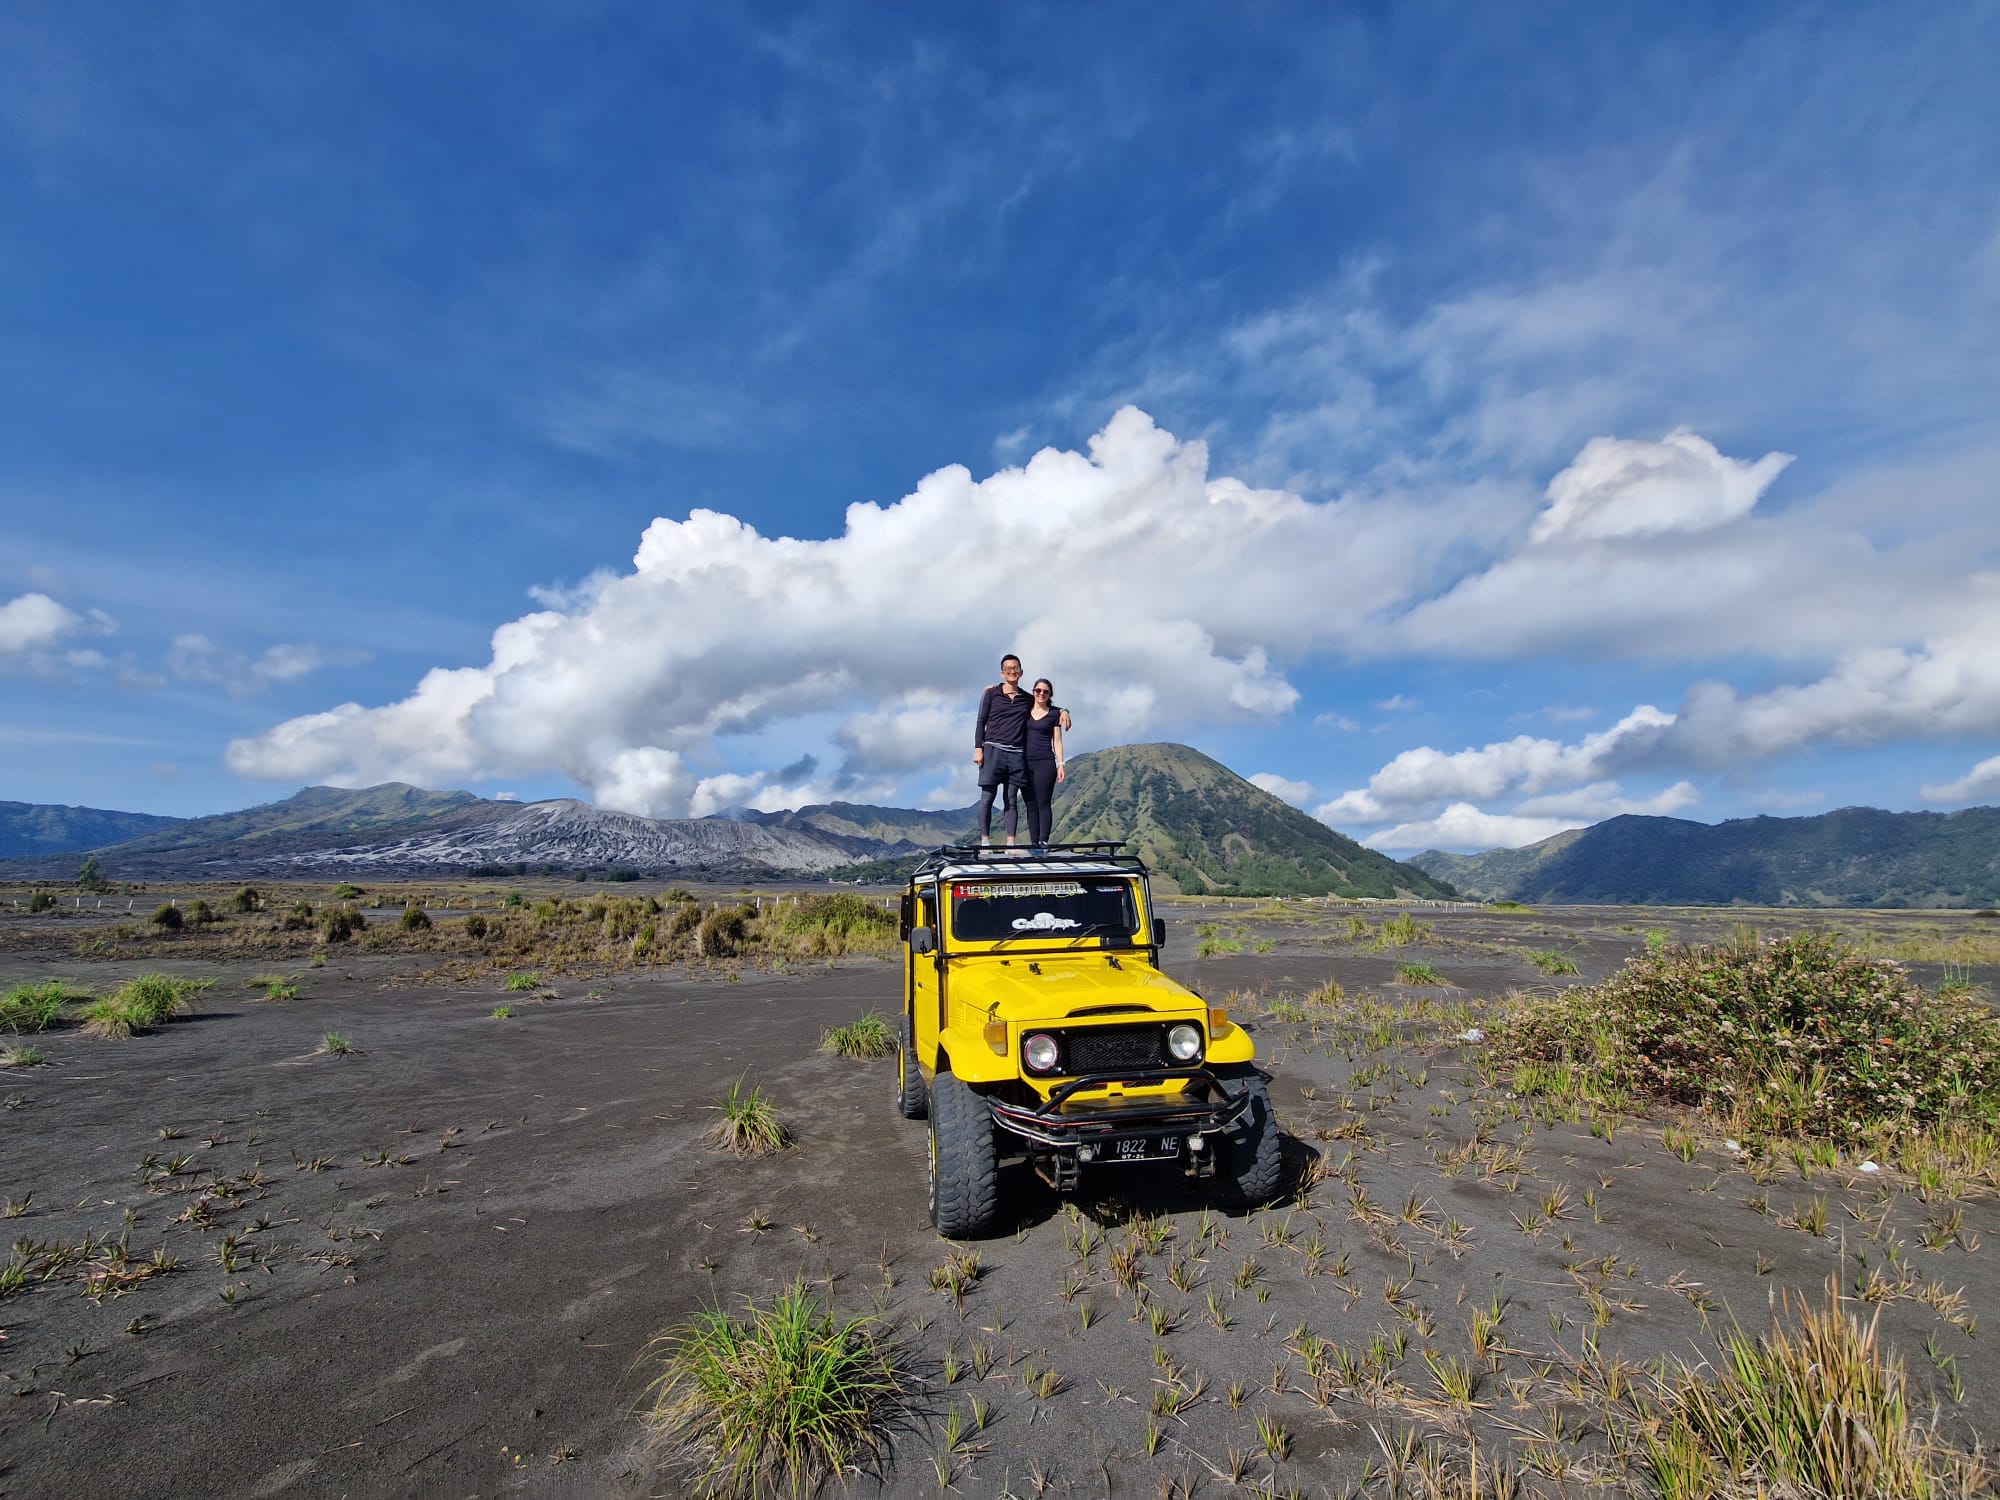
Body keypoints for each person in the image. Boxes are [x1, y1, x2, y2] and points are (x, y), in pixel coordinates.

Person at [973, 654, 1033, 848]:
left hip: (1016, 753)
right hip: (993, 750)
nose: (1012, 671)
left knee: (1011, 799)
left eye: (1016, 668)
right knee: (987, 797)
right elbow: (981, 721)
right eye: (1008, 669)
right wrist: (978, 748)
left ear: (1021, 672)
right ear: (1002, 673)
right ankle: (985, 842)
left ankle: (1011, 844)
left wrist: (1063, 711)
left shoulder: (1027, 699)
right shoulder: (991, 694)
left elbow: (1046, 706)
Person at [1022, 677, 1066, 852]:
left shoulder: (1054, 713)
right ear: (1033, 692)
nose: (1041, 694)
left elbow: (1057, 741)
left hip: (1045, 762)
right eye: (1038, 690)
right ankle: (1034, 844)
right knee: (1030, 804)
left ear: (1050, 695)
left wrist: (1061, 763)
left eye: (1045, 691)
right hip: (1024, 763)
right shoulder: (1024, 710)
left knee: (1043, 802)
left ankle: (1043, 842)